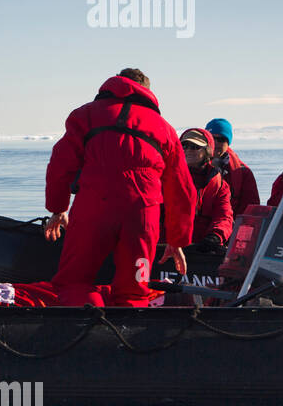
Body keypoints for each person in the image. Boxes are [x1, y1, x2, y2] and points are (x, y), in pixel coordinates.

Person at [44, 69, 196, 306]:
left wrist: (58, 208)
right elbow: (182, 189)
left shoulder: (85, 116)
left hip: (93, 208)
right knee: (135, 290)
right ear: (147, 91)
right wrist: (177, 240)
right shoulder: (164, 129)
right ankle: (127, 335)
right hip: (143, 216)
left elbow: (60, 164)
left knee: (75, 281)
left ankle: (82, 330)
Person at [177, 128, 234, 254]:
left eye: (195, 146)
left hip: (202, 250)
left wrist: (215, 236)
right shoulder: (166, 178)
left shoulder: (220, 185)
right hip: (168, 248)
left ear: (208, 151)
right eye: (184, 145)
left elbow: (224, 216)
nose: (188, 150)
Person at [204, 118, 260, 215]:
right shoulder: (193, 166)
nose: (216, 143)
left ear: (228, 142)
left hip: (229, 225)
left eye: (221, 139)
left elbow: (250, 211)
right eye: (212, 138)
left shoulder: (244, 173)